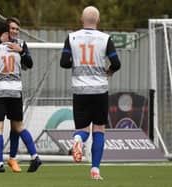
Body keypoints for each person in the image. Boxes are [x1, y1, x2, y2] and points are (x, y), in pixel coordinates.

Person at [60, 6, 121, 180]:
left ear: (81, 19)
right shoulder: (105, 38)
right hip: (100, 89)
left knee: (82, 129)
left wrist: (77, 61)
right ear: (98, 21)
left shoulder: (71, 38)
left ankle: (78, 139)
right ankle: (95, 170)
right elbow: (116, 63)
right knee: (99, 129)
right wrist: (109, 71)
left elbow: (64, 63)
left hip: (80, 90)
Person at [0, 20, 42, 173]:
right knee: (19, 126)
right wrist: (20, 52)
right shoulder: (17, 49)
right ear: (7, 31)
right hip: (15, 91)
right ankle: (35, 156)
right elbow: (28, 64)